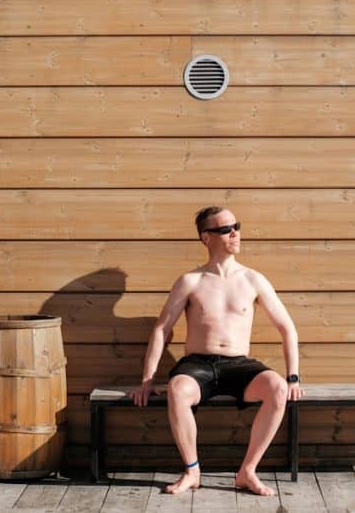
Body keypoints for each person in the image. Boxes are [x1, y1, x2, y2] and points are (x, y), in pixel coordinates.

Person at [128, 206, 304, 496]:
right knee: (177, 389)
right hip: (198, 365)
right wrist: (147, 379)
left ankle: (247, 471)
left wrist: (293, 377)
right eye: (224, 229)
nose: (234, 232)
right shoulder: (191, 281)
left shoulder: (253, 280)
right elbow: (162, 328)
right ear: (205, 238)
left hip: (239, 365)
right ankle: (192, 471)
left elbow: (287, 328)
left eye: (236, 225)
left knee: (276, 387)